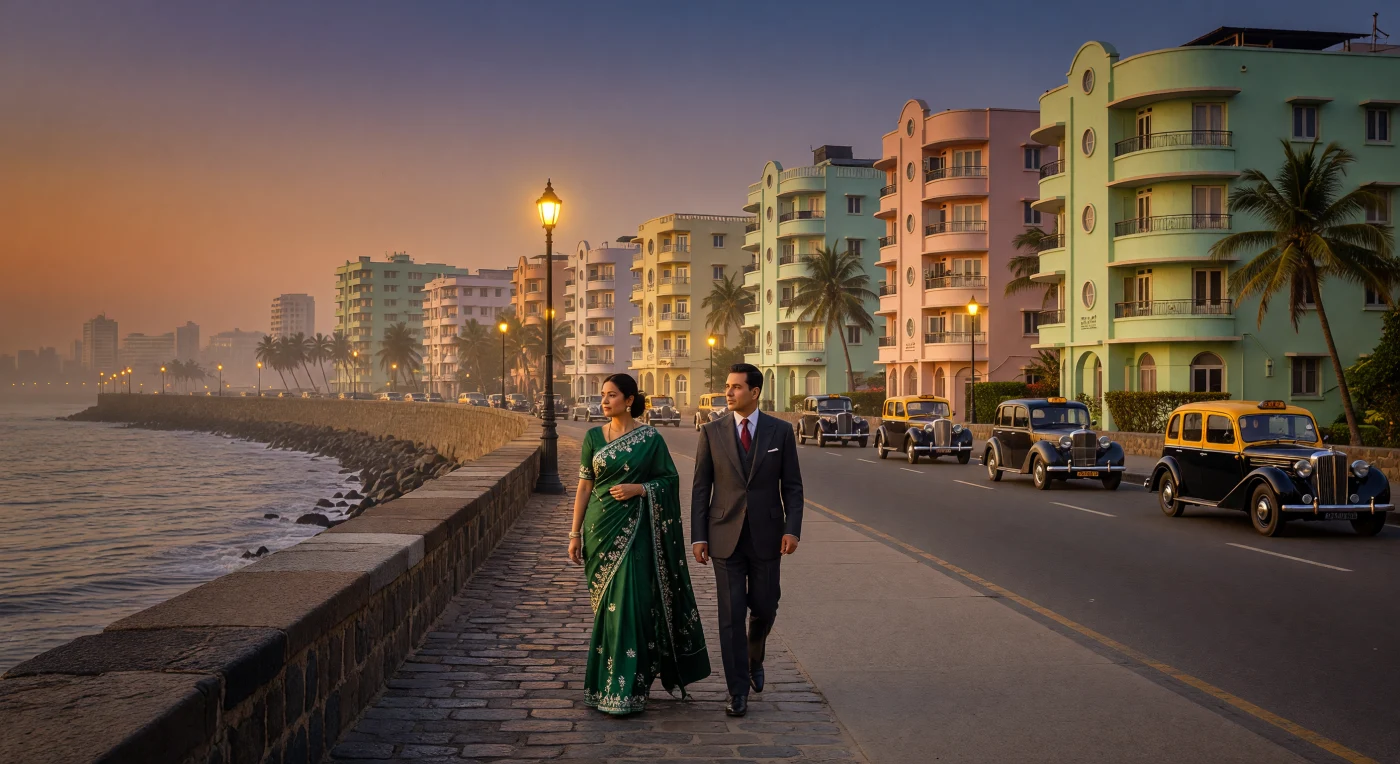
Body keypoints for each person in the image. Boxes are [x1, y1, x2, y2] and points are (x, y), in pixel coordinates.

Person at [567, 373, 710, 715]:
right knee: (609, 611)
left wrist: (640, 489)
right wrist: (574, 533)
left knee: (634, 605)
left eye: (611, 395)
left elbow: (669, 479)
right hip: (600, 529)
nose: (604, 401)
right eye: (602, 395)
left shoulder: (651, 439)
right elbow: (585, 487)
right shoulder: (592, 438)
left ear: (629, 400)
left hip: (639, 531)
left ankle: (631, 686)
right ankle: (603, 685)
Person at [690, 363, 803, 717]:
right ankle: (737, 691)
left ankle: (756, 654)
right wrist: (698, 536)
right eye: (727, 386)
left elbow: (794, 487)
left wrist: (792, 528)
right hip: (724, 536)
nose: (728, 392)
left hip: (769, 537)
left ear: (754, 392)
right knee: (730, 615)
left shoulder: (780, 432)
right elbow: (700, 488)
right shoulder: (711, 432)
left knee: (765, 607)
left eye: (736, 387)